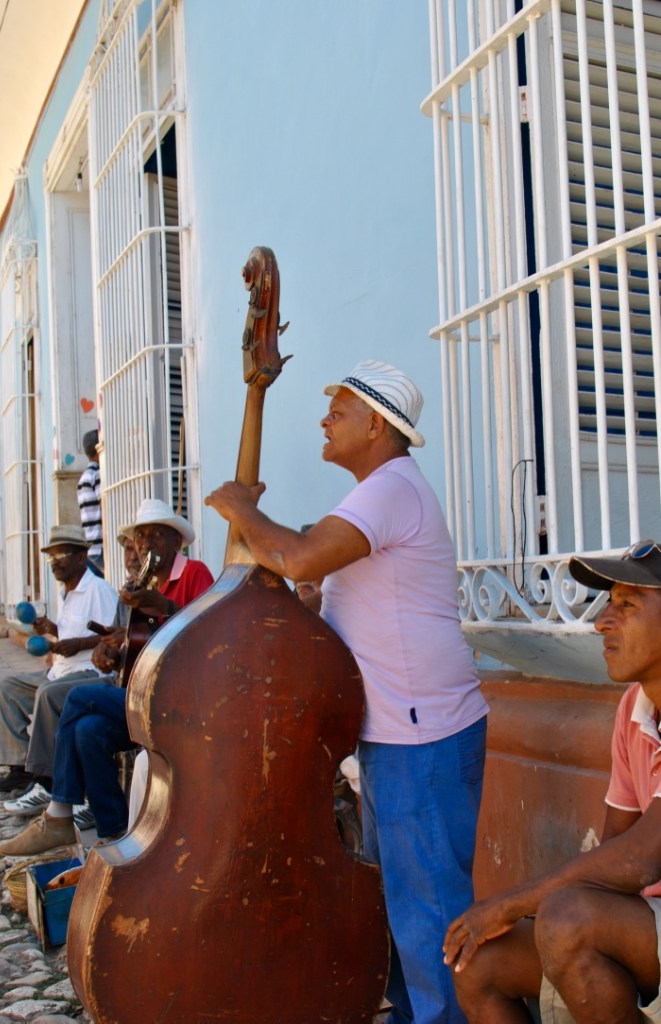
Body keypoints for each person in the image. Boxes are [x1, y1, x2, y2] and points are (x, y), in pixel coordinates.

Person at [204, 359, 488, 1024]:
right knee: (403, 910)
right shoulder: (380, 491)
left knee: (430, 919)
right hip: (403, 733)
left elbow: (301, 555)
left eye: (339, 407)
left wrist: (242, 507)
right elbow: (327, 580)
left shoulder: (390, 487)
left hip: (422, 735)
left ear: (377, 424)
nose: (324, 419)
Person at [442, 541, 661, 1024]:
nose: (603, 620)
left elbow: (640, 856)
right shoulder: (635, 708)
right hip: (649, 927)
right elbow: (614, 852)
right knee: (477, 963)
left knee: (568, 918)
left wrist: (508, 906)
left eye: (627, 605)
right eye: (608, 603)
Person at [0, 499, 214, 856]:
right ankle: (115, 833)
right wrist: (117, 652)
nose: (146, 544)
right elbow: (147, 648)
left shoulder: (193, 574)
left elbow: (208, 634)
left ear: (177, 542)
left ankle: (59, 812)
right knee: (88, 730)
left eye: (156, 535)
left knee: (75, 698)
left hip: (179, 701)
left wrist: (161, 605)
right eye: (141, 537)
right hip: (143, 693)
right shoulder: (144, 585)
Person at [0, 524, 118, 797]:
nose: (54, 563)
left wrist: (79, 644)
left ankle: (46, 778)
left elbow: (116, 636)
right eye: (51, 557)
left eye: (61, 555)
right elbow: (73, 633)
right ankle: (20, 767)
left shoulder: (99, 590)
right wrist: (52, 629)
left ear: (82, 557)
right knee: (8, 688)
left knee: (47, 695)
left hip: (90, 672)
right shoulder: (65, 593)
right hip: (60, 671)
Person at [77, 429, 103, 574]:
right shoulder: (97, 474)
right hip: (100, 547)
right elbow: (104, 505)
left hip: (91, 547)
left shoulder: (84, 477)